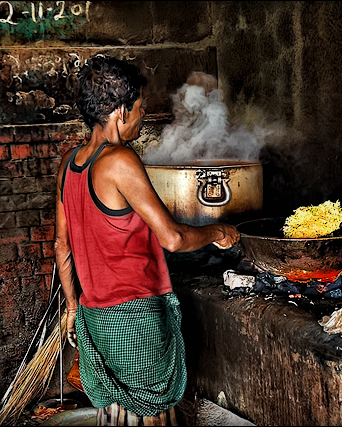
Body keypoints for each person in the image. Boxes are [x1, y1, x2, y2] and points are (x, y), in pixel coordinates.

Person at [54, 54, 240, 426]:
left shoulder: (70, 163)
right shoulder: (120, 160)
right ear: (121, 112)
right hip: (135, 317)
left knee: (117, 413)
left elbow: (62, 246)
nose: (142, 117)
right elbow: (171, 237)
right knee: (155, 415)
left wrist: (73, 307)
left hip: (95, 318)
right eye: (140, 108)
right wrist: (218, 231)